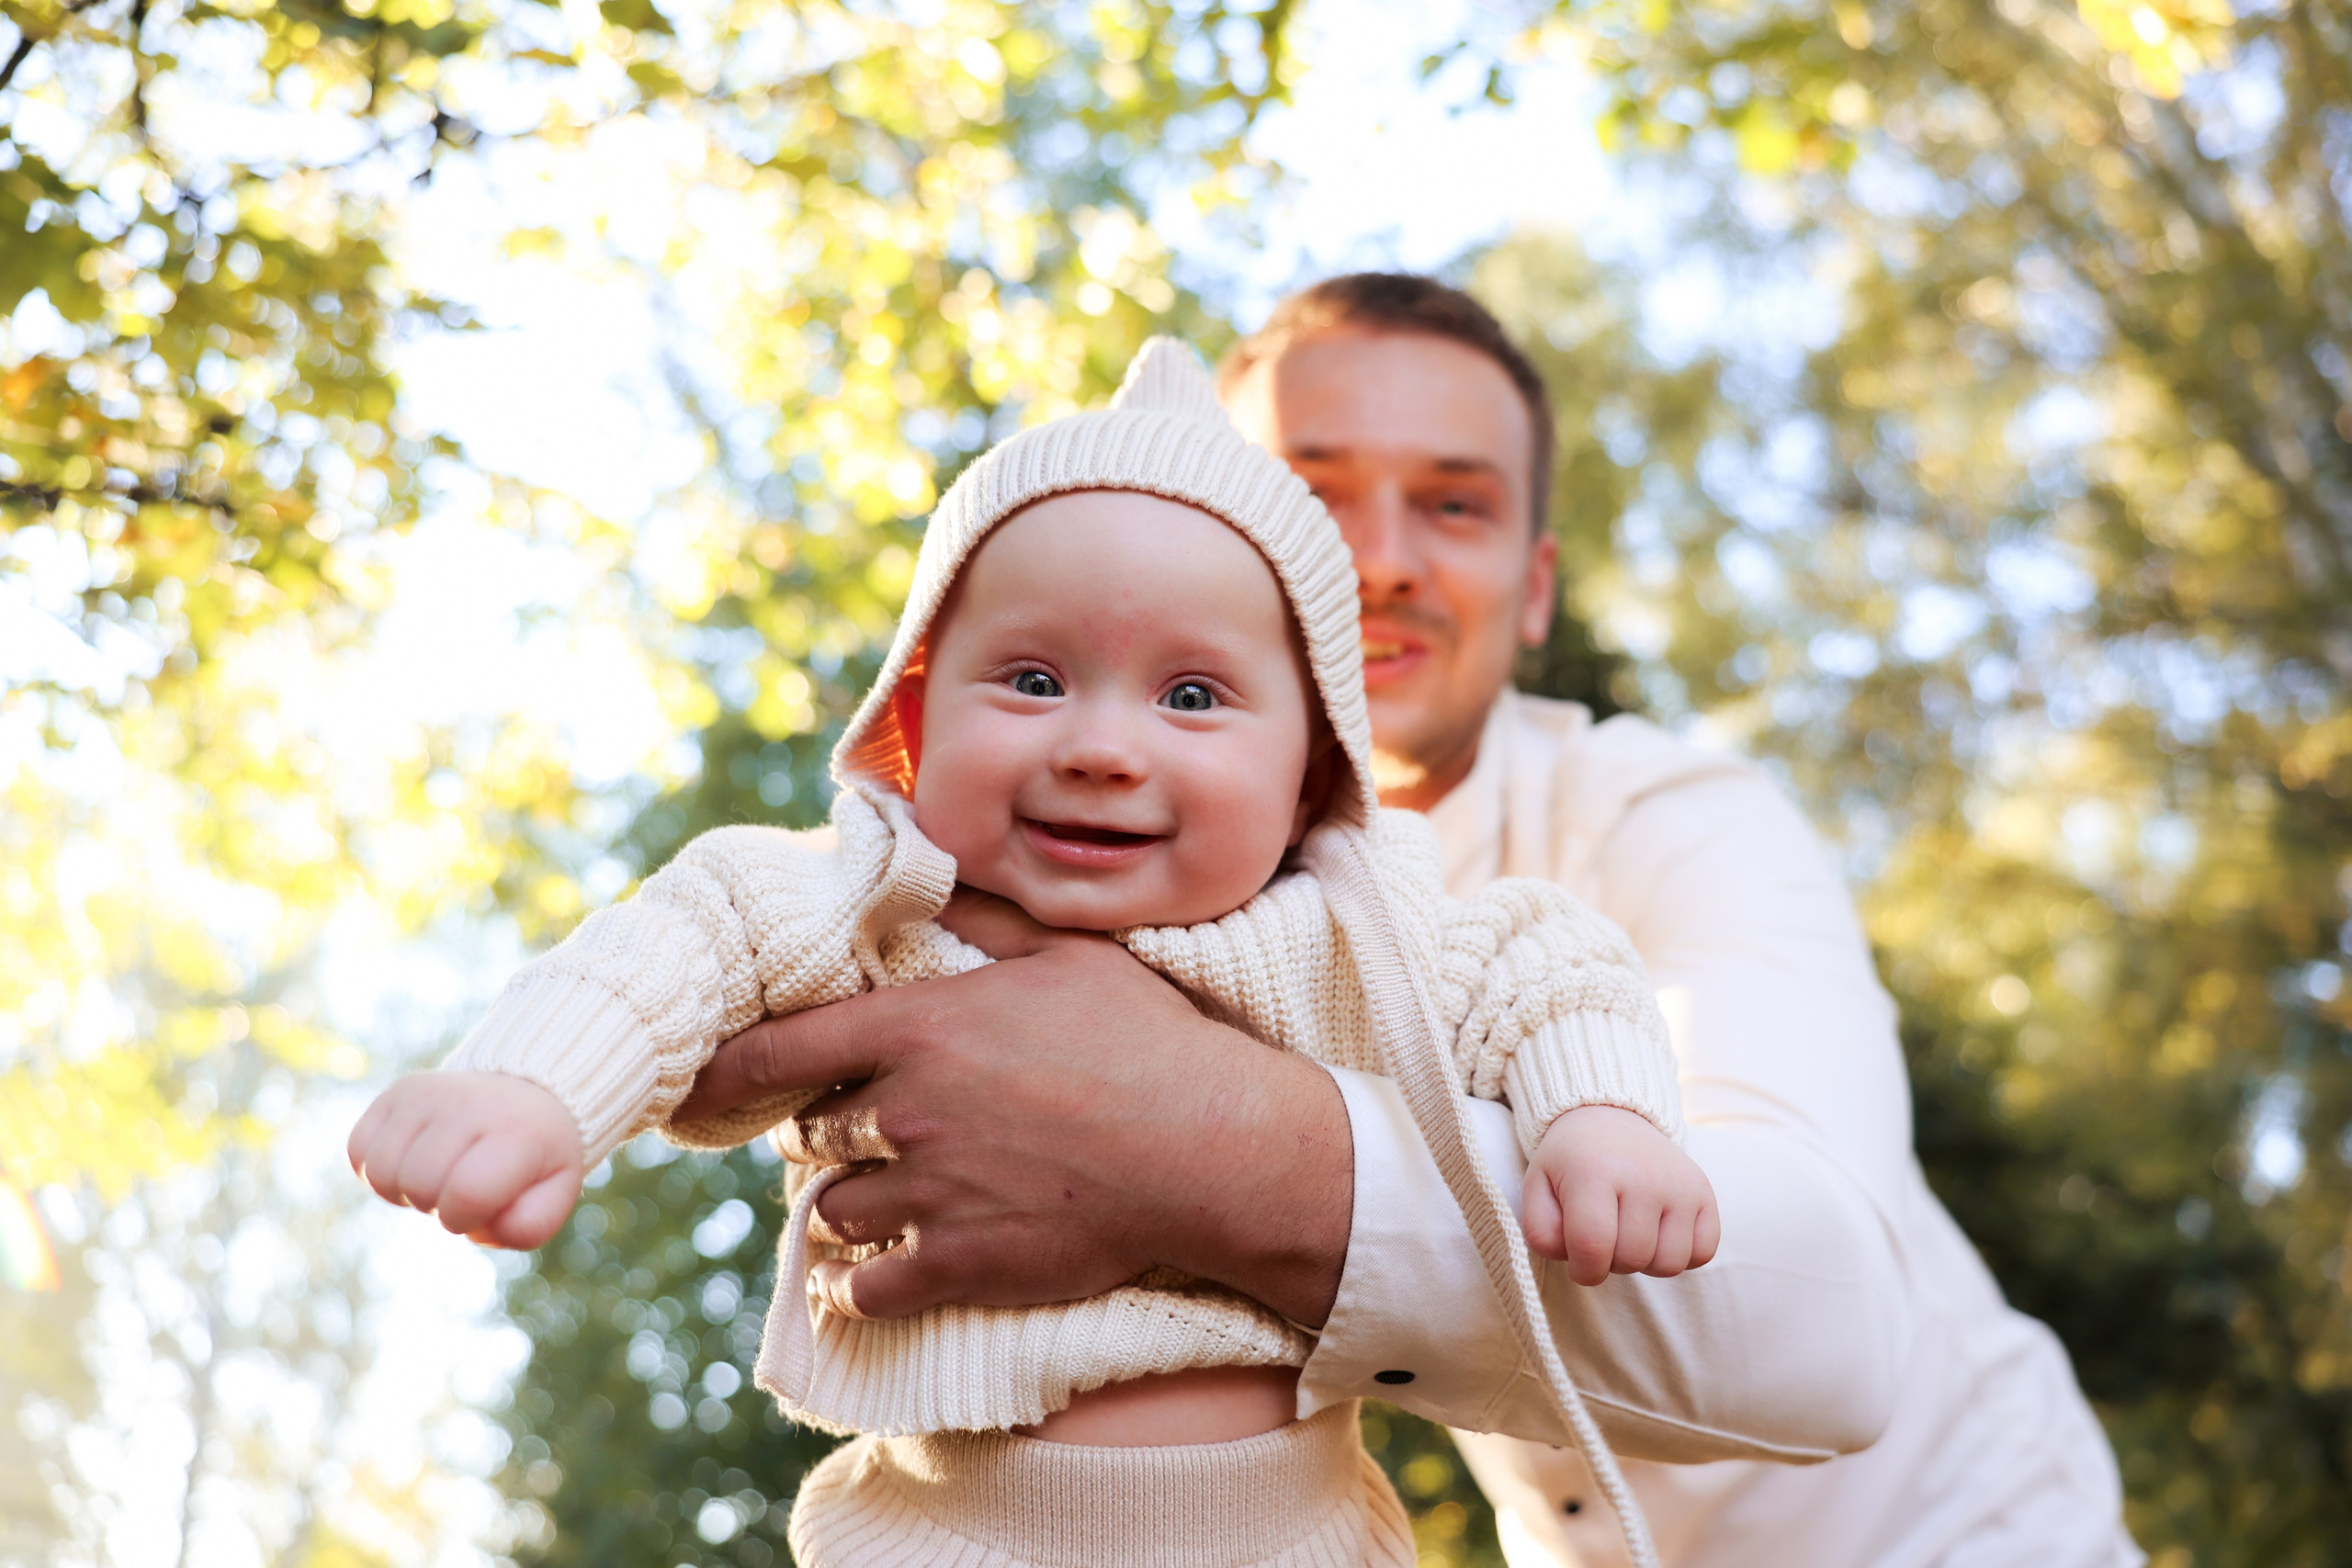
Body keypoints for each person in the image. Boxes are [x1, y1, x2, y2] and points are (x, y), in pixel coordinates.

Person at [675, 276, 2143, 1568]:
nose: (1377, 557)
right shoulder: (1038, 874)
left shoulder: (1661, 817)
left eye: (1455, 503)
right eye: (1311, 494)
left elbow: (1827, 1334)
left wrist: (1190, 1140)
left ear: (1535, 589)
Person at [349, 338, 1717, 1568]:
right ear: (912, 726)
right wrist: (527, 1089)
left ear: (1312, 776)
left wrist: (1600, 1115)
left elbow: (1546, 966)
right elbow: (674, 947)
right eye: (1034, 679)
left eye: (1192, 696)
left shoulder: (1347, 931)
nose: (1101, 745)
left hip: (1294, 1541)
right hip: (940, 1540)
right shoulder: (867, 905)